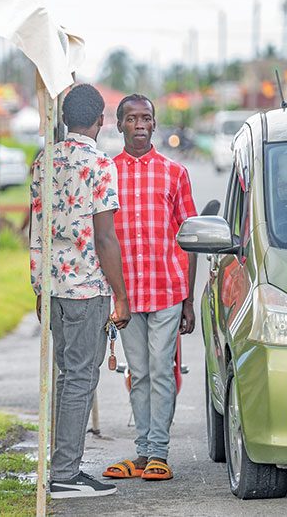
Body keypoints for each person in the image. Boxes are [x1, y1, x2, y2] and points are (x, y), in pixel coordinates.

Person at [29, 84, 131, 499]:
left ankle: (63, 467)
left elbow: (34, 224)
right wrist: (121, 295)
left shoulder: (43, 161)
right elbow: (105, 238)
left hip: (52, 286)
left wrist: (38, 285)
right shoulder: (101, 164)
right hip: (87, 287)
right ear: (101, 120)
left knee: (67, 377)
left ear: (65, 118)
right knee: (80, 380)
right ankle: (66, 474)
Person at [102, 94, 197, 482]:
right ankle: (142, 454)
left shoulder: (175, 174)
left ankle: (158, 451)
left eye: (146, 118)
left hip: (167, 290)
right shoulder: (106, 174)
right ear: (119, 124)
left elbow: (191, 239)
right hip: (126, 294)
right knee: (138, 372)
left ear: (155, 125)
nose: (139, 124)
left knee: (161, 370)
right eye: (131, 118)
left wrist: (188, 301)